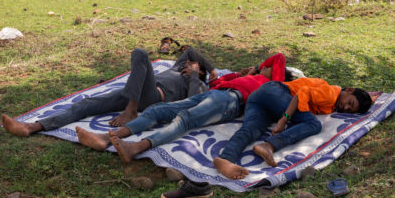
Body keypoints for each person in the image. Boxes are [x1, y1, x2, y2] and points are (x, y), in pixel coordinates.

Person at [75, 54, 288, 162]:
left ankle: (136, 147)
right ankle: (106, 137)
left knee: (184, 118)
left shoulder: (272, 84)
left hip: (230, 101)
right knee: (156, 110)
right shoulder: (249, 78)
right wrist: (242, 74)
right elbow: (216, 83)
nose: (264, 65)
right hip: (214, 94)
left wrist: (260, 69)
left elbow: (278, 57)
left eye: (266, 65)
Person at [0, 46, 215, 136]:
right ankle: (32, 127)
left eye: (193, 65)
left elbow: (193, 102)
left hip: (152, 98)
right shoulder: (178, 67)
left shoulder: (197, 83)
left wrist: (196, 74)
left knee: (140, 53)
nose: (188, 64)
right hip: (136, 91)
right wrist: (213, 68)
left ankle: (131, 110)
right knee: (87, 104)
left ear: (199, 71)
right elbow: (190, 50)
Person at [212, 78, 372, 179]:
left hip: (260, 98)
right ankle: (269, 145)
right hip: (276, 92)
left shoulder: (333, 102)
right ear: (349, 90)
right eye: (349, 102)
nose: (345, 107)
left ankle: (226, 159)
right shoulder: (331, 93)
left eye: (349, 110)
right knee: (313, 124)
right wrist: (284, 119)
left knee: (250, 129)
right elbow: (301, 94)